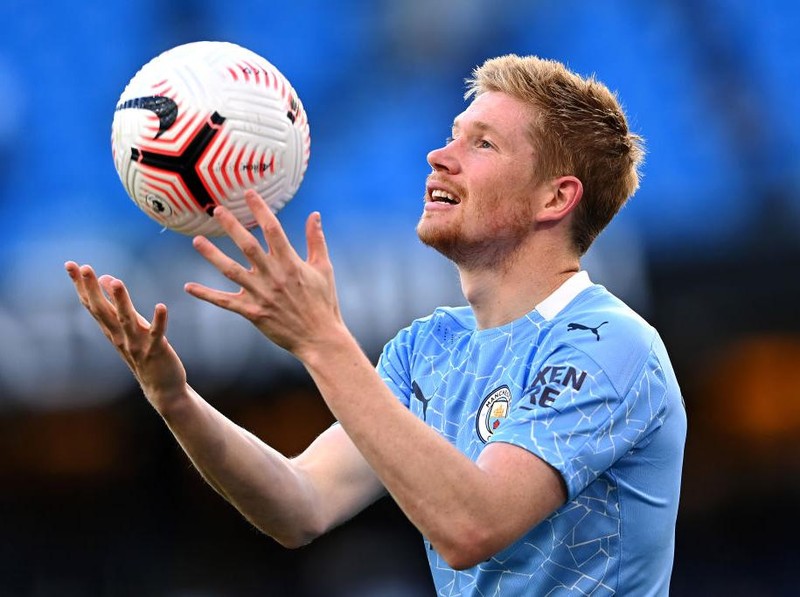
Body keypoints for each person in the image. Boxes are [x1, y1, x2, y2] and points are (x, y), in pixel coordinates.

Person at [66, 55, 686, 595]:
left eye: (483, 144)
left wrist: (320, 340)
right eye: (452, 135)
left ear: (556, 198)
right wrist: (173, 399)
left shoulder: (610, 344)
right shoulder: (428, 349)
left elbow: (473, 526)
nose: (439, 156)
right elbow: (299, 504)